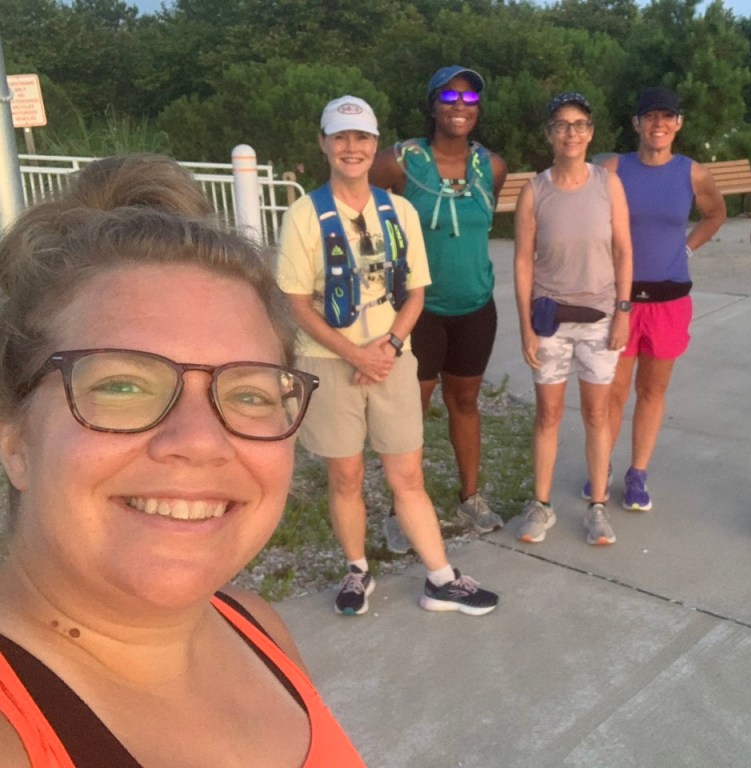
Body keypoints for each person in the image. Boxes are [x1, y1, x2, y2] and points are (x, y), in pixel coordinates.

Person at [0, 155, 365, 766]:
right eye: (122, 385)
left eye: (249, 393)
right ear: (15, 438)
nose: (200, 440)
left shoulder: (257, 627)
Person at [277, 95, 499, 616]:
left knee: (407, 476)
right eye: (340, 137)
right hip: (330, 362)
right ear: (324, 143)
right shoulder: (304, 215)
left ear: (375, 146)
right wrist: (354, 354)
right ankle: (357, 569)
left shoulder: (398, 210)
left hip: (390, 358)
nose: (351, 148)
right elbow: (294, 302)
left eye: (361, 138)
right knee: (346, 476)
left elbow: (416, 292)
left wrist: (391, 346)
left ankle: (440, 578)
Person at [370, 65, 508, 551]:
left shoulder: (490, 167)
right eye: (450, 95)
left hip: (475, 304)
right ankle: (399, 508)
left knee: (465, 403)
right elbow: (356, 198)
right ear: (432, 105)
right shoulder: (402, 161)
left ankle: (469, 497)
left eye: (470, 98)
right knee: (412, 409)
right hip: (418, 310)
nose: (459, 105)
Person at [596, 86, 726, 510]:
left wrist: (686, 248)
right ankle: (602, 468)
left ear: (679, 124)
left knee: (652, 391)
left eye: (667, 117)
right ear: (636, 123)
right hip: (621, 300)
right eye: (650, 117)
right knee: (613, 392)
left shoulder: (692, 173)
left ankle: (638, 473)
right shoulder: (614, 168)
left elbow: (715, 213)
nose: (659, 124)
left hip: (669, 299)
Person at [513, 92, 633, 546]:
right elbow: (523, 260)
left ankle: (597, 506)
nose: (571, 133)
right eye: (562, 125)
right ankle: (541, 504)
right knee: (548, 412)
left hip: (601, 318)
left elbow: (623, 248)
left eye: (580, 124)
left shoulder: (607, 184)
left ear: (591, 132)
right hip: (548, 319)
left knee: (597, 413)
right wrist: (525, 324)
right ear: (549, 134)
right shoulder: (535, 190)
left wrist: (623, 310)